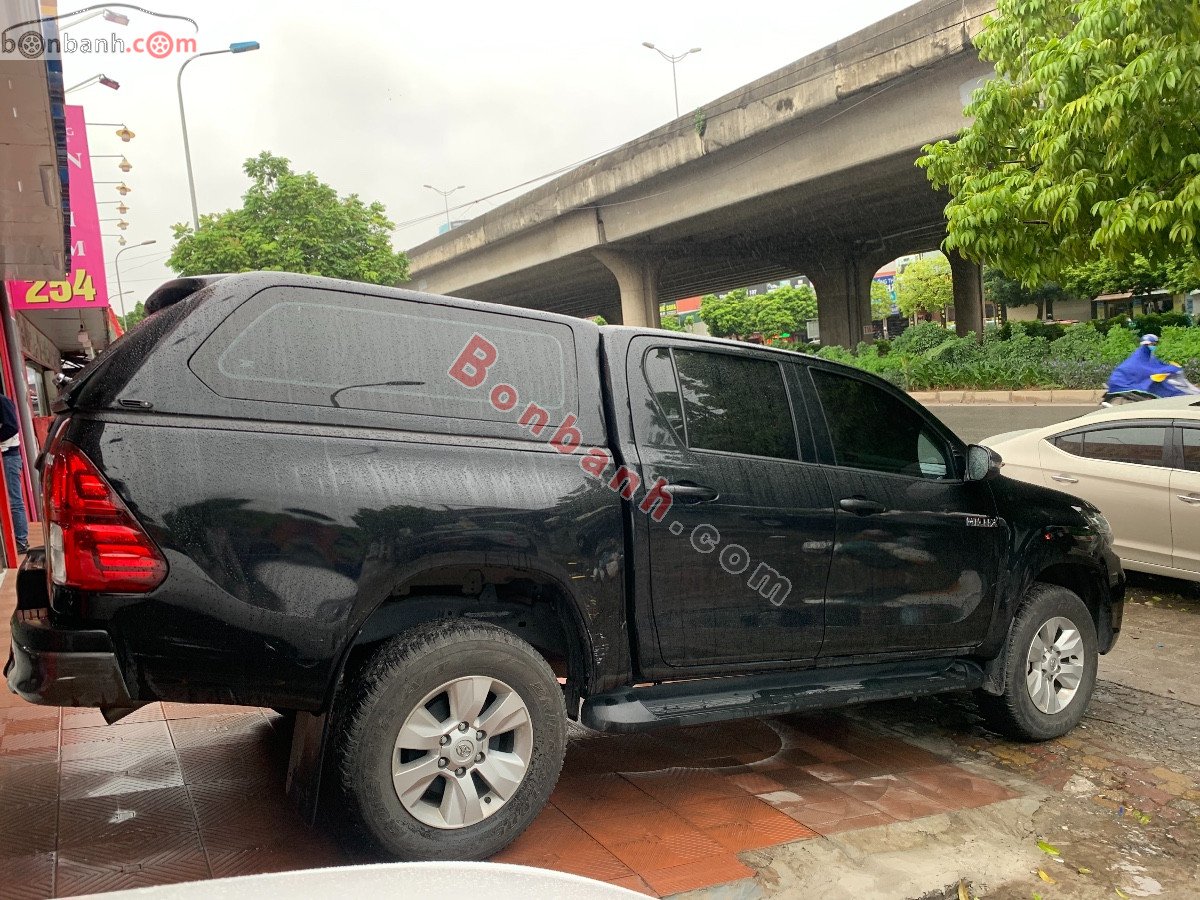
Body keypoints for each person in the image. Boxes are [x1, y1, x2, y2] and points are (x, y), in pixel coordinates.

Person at [1106, 333, 1197, 399]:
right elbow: (1144, 369)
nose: (1154, 346)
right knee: (1164, 387)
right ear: (1146, 345)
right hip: (1128, 382)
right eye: (1152, 344)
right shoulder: (1138, 357)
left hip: (1142, 377)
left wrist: (1170, 367)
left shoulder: (1149, 355)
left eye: (1155, 344)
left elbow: (1157, 364)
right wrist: (1164, 370)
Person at [0, 392, 28, 554]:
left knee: (14, 501)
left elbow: (11, 427)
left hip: (9, 457)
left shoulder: (2, 401)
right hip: (6, 456)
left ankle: (21, 541)